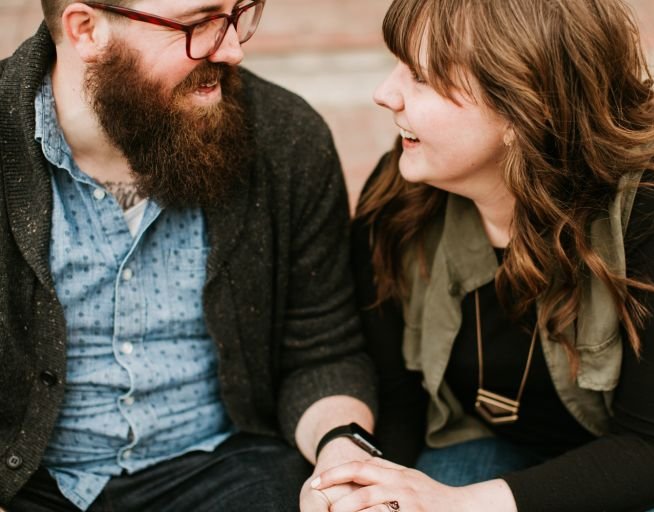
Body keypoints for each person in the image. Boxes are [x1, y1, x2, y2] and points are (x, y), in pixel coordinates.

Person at [309, 0, 654, 511]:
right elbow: (399, 398)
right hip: (473, 437)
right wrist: (367, 487)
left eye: (422, 77)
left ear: (522, 109)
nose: (385, 95)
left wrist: (462, 506)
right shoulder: (405, 188)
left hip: (634, 461)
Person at [0, 1, 379, 511]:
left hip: (226, 470)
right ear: (87, 29)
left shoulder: (287, 138)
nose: (233, 49)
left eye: (239, 12)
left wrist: (341, 461)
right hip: (23, 479)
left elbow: (322, 351)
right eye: (199, 24)